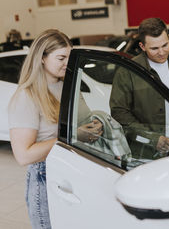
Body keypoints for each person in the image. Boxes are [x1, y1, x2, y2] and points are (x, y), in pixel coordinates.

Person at [8, 29, 102, 229]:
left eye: (70, 56)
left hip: (74, 170)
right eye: (61, 57)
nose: (68, 62)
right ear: (42, 58)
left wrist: (95, 124)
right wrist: (74, 136)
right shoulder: (27, 96)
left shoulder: (67, 86)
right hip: (46, 176)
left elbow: (79, 120)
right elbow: (23, 155)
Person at [109, 18, 169, 159]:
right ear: (142, 46)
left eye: (165, 45)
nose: (162, 52)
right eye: (154, 48)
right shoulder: (128, 72)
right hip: (142, 153)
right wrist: (151, 138)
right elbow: (120, 113)